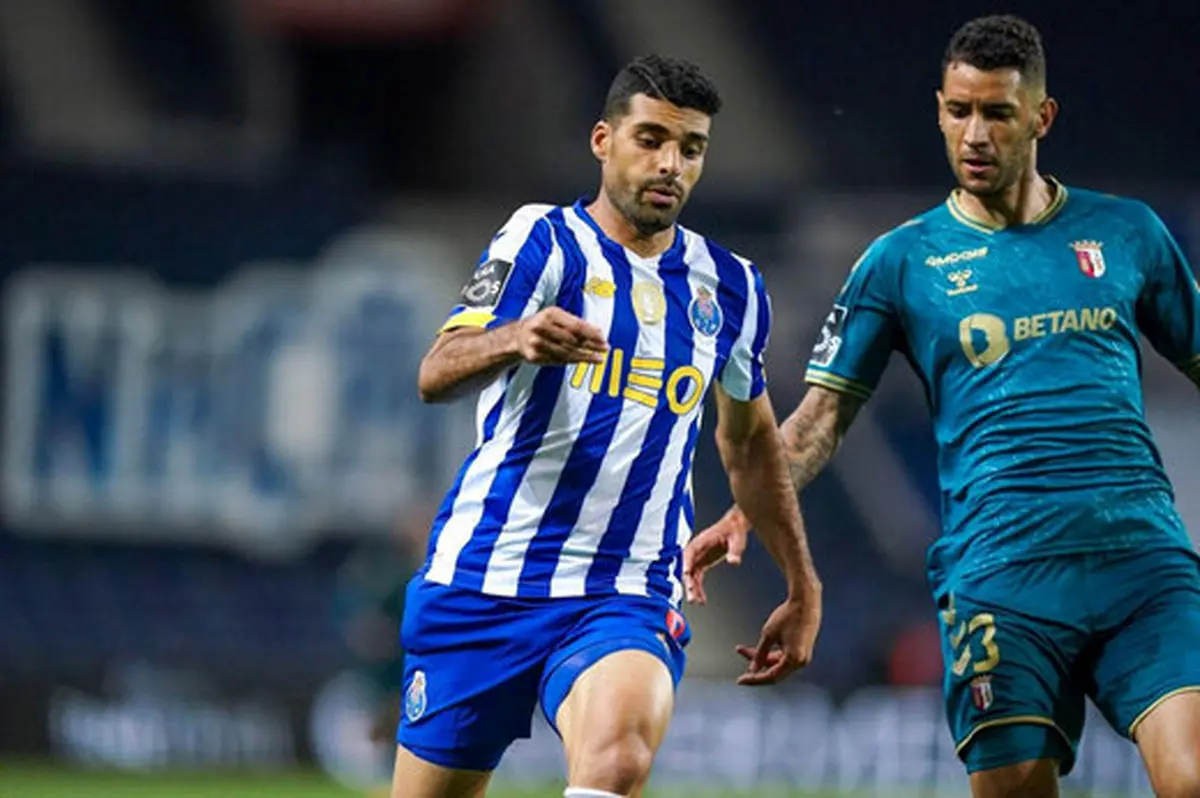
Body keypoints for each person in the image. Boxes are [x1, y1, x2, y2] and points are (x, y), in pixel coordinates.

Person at [685, 14, 1200, 798]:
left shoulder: (1128, 233)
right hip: (1000, 579)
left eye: (997, 113)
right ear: (939, 110)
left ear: (1042, 117)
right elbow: (820, 419)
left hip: (1140, 560)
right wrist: (745, 511)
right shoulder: (902, 261)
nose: (975, 134)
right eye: (959, 111)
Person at [393, 54, 823, 798]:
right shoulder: (542, 240)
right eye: (651, 139)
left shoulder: (733, 288)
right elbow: (436, 373)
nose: (671, 165)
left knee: (617, 760)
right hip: (483, 578)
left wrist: (801, 580)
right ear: (603, 140)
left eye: (691, 149)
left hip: (625, 590)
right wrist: (514, 337)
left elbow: (751, 443)